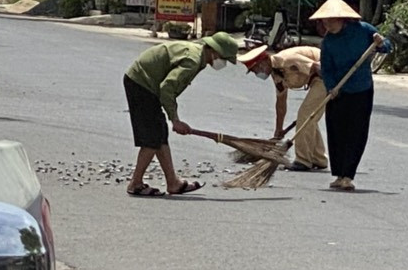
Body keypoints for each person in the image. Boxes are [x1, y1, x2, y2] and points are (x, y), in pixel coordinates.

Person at [124, 31, 239, 196]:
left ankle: (173, 183)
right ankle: (135, 183)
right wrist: (175, 119)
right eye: (224, 58)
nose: (223, 63)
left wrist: (172, 117)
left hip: (147, 84)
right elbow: (167, 88)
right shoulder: (192, 61)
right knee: (152, 137)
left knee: (160, 134)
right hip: (141, 82)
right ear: (214, 52)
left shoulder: (198, 55)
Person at [310, 0, 390, 191]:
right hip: (338, 91)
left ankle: (348, 175)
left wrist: (380, 42)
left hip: (361, 89)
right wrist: (332, 87)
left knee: (356, 132)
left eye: (330, 21)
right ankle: (338, 174)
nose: (327, 25)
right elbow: (326, 69)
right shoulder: (328, 42)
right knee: (336, 132)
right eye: (324, 21)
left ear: (341, 19)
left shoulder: (363, 30)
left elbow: (387, 46)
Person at [236, 45, 328, 171]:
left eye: (256, 69)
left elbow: (317, 68)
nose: (257, 73)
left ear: (264, 62)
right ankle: (318, 159)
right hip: (315, 80)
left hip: (324, 76)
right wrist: (278, 130)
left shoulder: (287, 60)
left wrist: (335, 85)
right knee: (309, 119)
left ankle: (303, 160)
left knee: (305, 115)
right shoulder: (277, 75)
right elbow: (281, 103)